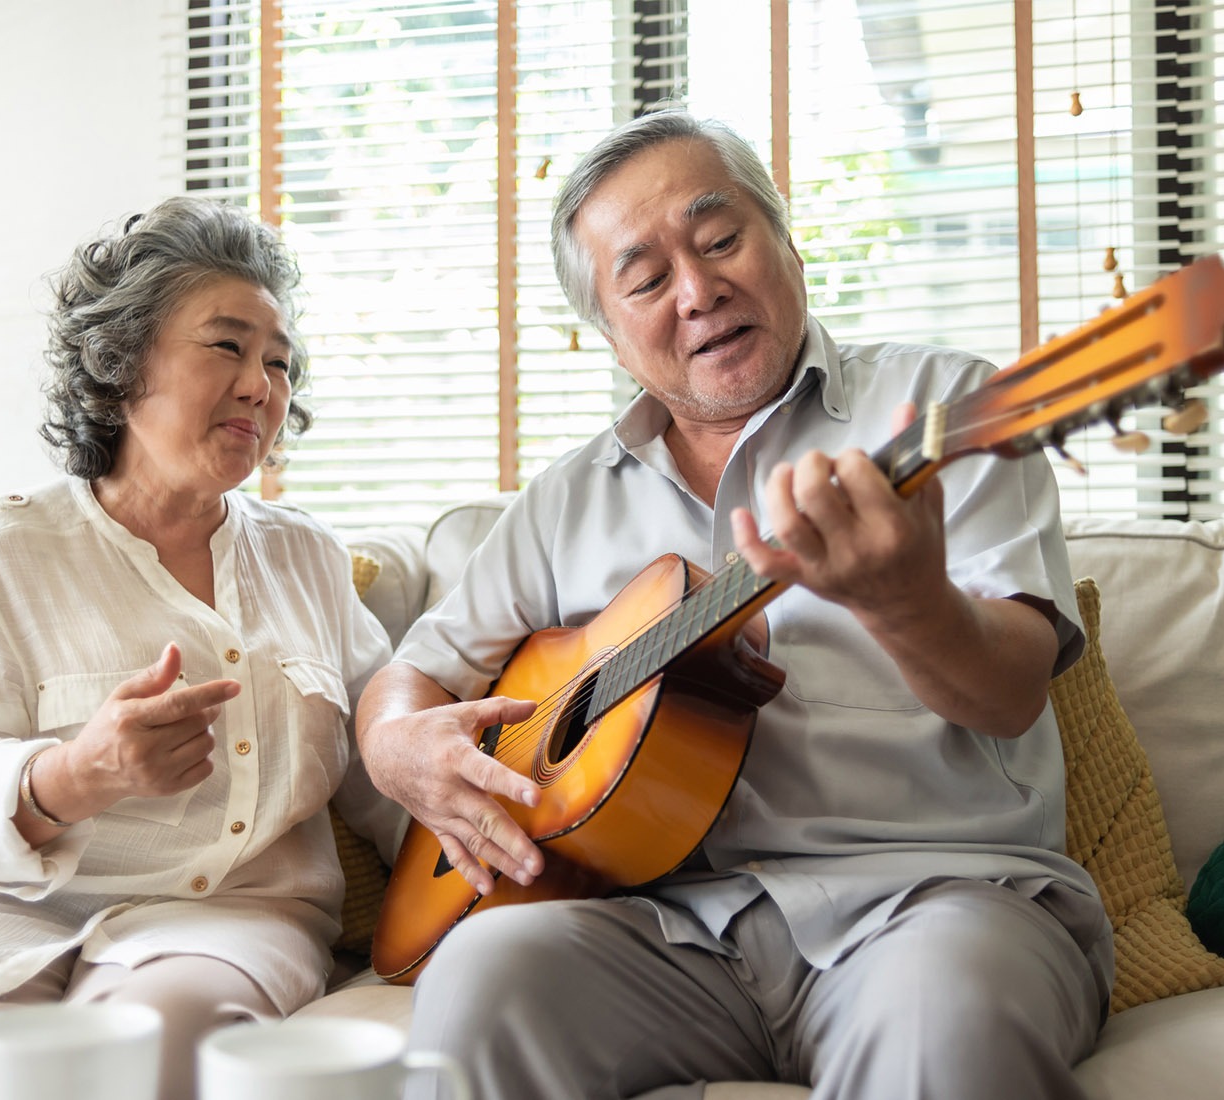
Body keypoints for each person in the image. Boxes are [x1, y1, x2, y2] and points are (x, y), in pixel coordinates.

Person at [355, 111, 1114, 1100]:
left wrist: (908, 600)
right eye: (645, 277)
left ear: (785, 242)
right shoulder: (563, 501)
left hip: (937, 901)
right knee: (482, 976)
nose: (698, 289)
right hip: (664, 932)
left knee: (948, 1014)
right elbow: (416, 669)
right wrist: (395, 746)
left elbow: (1012, 687)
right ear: (613, 337)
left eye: (721, 241)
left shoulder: (943, 408)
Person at [0, 196, 401, 1100]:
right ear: (122, 364)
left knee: (156, 1049)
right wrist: (73, 777)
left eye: (279, 363)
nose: (262, 385)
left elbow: (386, 765)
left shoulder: (307, 559)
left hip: (222, 916)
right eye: (227, 346)